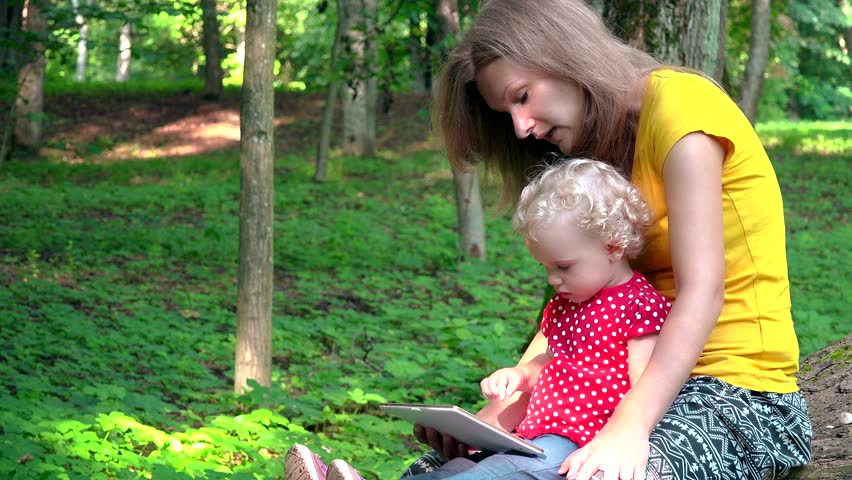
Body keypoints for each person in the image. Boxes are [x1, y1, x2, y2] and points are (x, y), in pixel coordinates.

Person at [406, 1, 813, 480]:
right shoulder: (596, 144)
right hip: (621, 385)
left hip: (736, 391)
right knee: (448, 462)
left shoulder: (684, 110)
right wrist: (497, 416)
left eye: (522, 96)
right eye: (507, 112)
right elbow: (582, 309)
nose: (521, 127)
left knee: (600, 472)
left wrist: (629, 426)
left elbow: (703, 293)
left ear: (564, 56)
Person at [285, 157, 672, 480]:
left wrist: (618, 438)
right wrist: (520, 375)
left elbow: (646, 385)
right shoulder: (568, 304)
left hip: (578, 443)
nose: (553, 279)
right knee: (458, 468)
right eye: (545, 267)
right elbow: (557, 364)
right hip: (534, 435)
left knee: (490, 474)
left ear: (613, 246)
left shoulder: (638, 305)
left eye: (564, 266)